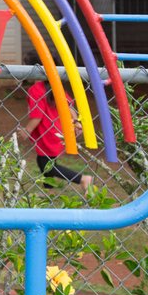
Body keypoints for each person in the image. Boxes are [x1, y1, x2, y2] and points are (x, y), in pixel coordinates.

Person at [23, 52, 93, 191]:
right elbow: (69, 106)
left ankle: (83, 179)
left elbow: (37, 115)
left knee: (45, 163)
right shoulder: (56, 86)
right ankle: (48, 190)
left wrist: (27, 130)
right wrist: (76, 121)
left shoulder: (36, 89)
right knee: (46, 161)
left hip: (48, 131)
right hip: (58, 130)